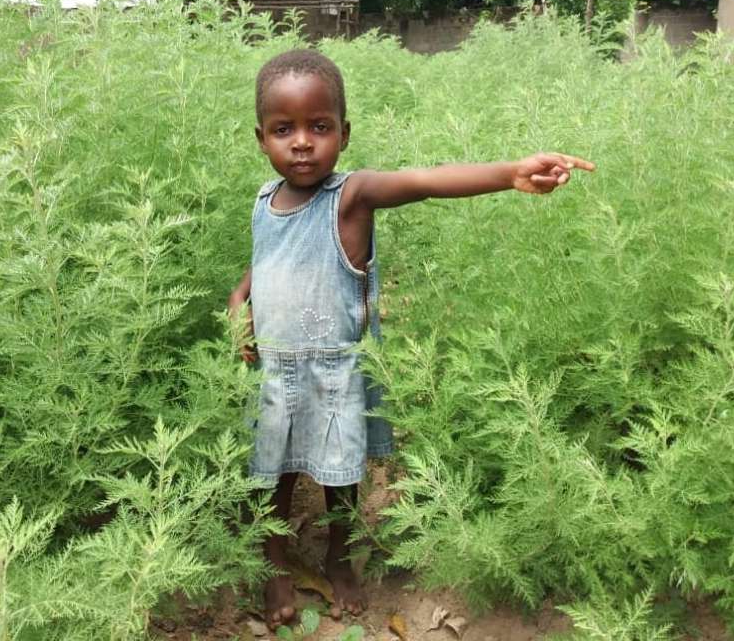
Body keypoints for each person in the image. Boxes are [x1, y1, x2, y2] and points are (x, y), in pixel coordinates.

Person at [227, 48, 594, 628]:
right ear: (261, 138)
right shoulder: (262, 205)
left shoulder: (350, 197)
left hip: (334, 370)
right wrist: (238, 303)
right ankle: (274, 559)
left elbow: (422, 182)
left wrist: (509, 173)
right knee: (275, 472)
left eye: (319, 127)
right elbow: (262, 264)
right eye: (284, 129)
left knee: (340, 473)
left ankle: (339, 557)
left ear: (344, 135)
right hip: (275, 369)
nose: (302, 142)